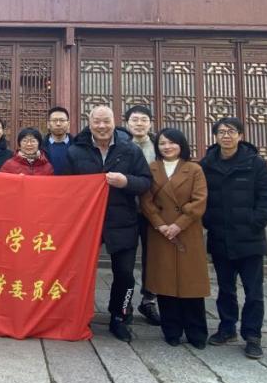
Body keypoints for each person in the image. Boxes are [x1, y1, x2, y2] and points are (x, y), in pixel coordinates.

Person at [65, 105, 151, 342]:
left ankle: (120, 316)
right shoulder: (75, 151)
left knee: (124, 273)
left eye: (106, 121)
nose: (102, 126)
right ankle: (78, 314)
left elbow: (146, 182)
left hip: (122, 221)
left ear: (114, 122)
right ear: (89, 122)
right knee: (79, 272)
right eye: (97, 122)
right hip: (86, 223)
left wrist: (126, 182)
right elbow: (65, 187)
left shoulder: (130, 150)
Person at [201, 116, 267, 359]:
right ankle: (227, 328)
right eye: (221, 132)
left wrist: (254, 222)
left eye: (231, 131)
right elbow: (200, 197)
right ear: (215, 136)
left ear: (240, 136)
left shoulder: (254, 163)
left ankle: (253, 336)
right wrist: (209, 222)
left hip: (250, 240)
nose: (226, 136)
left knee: (253, 292)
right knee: (225, 289)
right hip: (220, 237)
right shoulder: (207, 164)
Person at [140, 127, 209, 348]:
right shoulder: (151, 168)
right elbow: (146, 200)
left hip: (187, 231)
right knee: (165, 283)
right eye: (162, 143)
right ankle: (171, 330)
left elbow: (199, 200)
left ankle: (196, 332)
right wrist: (160, 224)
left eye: (171, 142)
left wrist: (179, 224)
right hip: (160, 232)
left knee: (191, 284)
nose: (167, 147)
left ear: (181, 145)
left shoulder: (194, 169)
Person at [124, 105, 161, 327]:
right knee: (125, 260)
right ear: (127, 123)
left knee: (153, 258)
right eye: (134, 120)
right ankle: (125, 302)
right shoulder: (121, 146)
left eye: (143, 119)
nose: (139, 124)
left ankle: (149, 300)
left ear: (150, 123)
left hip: (154, 212)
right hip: (127, 210)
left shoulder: (160, 146)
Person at [45, 106, 72, 175]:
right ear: (48, 124)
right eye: (54, 120)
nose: (58, 124)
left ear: (68, 124)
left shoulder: (78, 146)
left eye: (62, 120)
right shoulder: (40, 147)